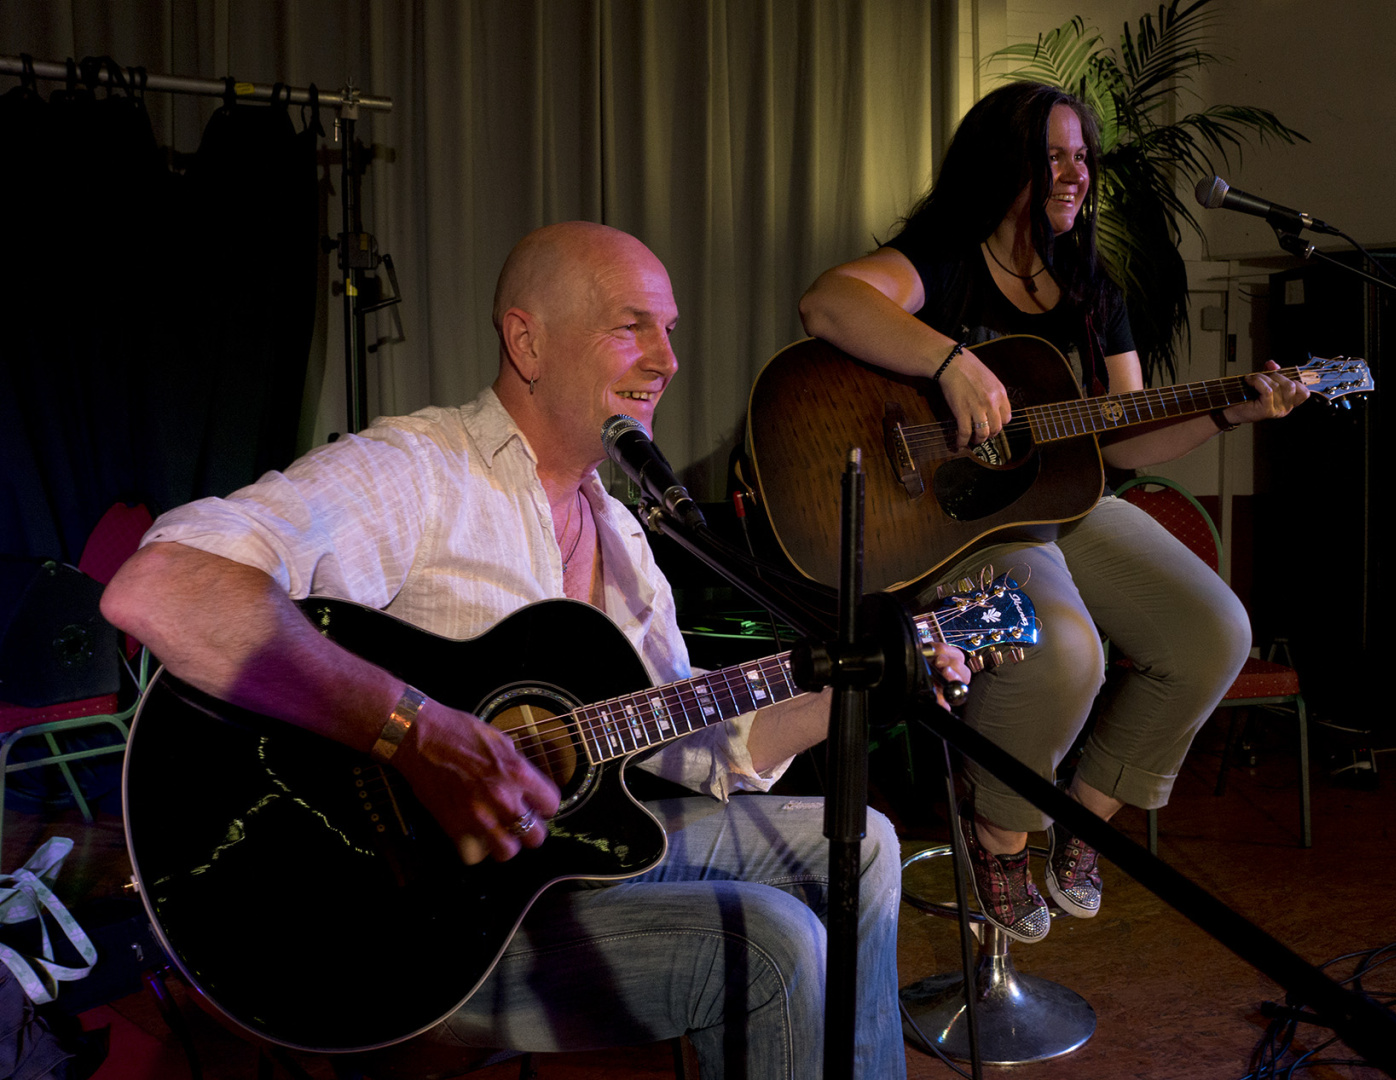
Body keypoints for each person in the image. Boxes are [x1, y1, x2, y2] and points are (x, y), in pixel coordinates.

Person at [103, 221, 967, 1078]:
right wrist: (416, 732)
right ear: (527, 341)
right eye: (632, 327)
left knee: (867, 843)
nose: (666, 361)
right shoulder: (422, 470)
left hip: (556, 863)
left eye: (670, 332)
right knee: (775, 944)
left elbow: (690, 739)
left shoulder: (625, 535)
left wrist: (857, 690)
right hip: (414, 916)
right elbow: (162, 586)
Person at [798, 82, 1309, 943]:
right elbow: (828, 303)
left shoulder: (1089, 287)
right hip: (957, 518)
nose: (1075, 174)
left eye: (1083, 157)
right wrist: (953, 361)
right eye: (1056, 155)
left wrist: (1231, 410)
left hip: (1062, 502)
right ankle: (997, 828)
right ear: (1009, 165)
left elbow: (1124, 434)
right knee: (1064, 651)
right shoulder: (944, 258)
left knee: (1214, 629)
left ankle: (1084, 815)